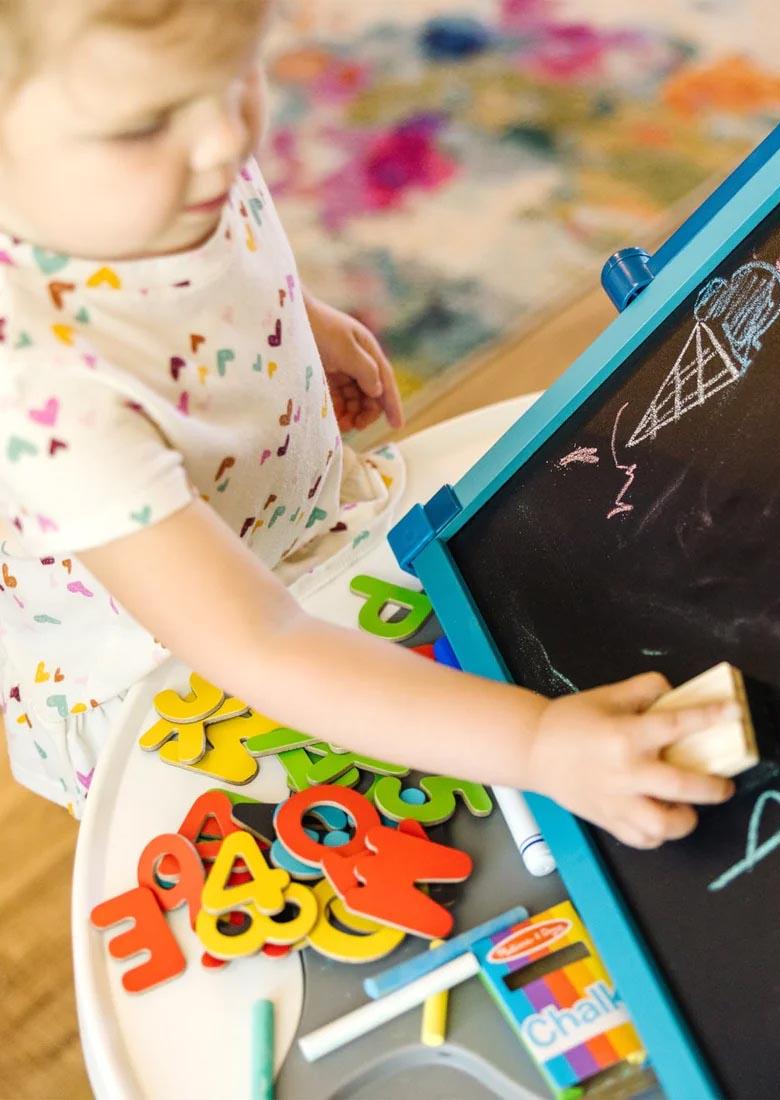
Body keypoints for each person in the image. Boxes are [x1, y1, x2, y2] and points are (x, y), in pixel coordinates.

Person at [0, 0, 735, 845]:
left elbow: (219, 240)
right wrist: (536, 744)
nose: (224, 140)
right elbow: (262, 643)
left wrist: (296, 318)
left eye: (237, 74)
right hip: (178, 691)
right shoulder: (45, 398)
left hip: (307, 539)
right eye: (145, 125)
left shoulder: (152, 171)